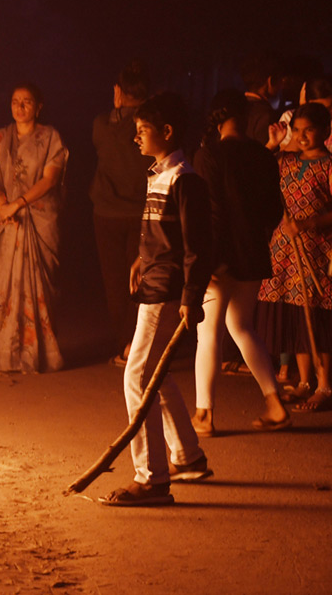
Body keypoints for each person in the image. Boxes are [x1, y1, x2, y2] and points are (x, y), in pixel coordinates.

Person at [100, 92, 213, 507]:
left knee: (136, 376)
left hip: (167, 291)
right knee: (154, 375)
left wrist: (190, 296)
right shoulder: (159, 175)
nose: (137, 138)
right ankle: (187, 457)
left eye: (143, 131)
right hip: (154, 281)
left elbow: (198, 246)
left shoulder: (186, 180)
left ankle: (151, 479)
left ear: (167, 132)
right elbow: (163, 235)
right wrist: (139, 259)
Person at [190, 90, 289, 435]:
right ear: (244, 117)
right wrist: (256, 237)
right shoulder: (262, 156)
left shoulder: (209, 155)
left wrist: (210, 260)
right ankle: (275, 404)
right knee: (242, 327)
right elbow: (274, 210)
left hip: (221, 257)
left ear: (217, 117)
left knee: (209, 334)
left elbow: (211, 212)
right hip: (251, 253)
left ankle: (204, 415)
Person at [0, 84, 67, 373]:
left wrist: (19, 204)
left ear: (38, 106)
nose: (20, 107)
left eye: (27, 102)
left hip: (38, 222)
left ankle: (34, 355)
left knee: (37, 286)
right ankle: (1, 353)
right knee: (0, 284)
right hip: (7, 222)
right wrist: (4, 206)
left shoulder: (50, 137)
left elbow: (50, 179)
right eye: (15, 102)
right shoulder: (0, 137)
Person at [258, 103, 332, 412]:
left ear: (326, 132)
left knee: (317, 315)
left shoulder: (329, 166)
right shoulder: (285, 161)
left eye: (309, 130)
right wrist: (273, 144)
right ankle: (304, 382)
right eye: (297, 130)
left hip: (317, 248)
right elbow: (254, 166)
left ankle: (325, 386)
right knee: (296, 315)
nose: (302, 137)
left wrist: (307, 224)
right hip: (285, 248)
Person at [90, 61, 152, 365]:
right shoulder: (149, 128)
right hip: (139, 212)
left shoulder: (103, 125)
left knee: (114, 281)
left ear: (119, 91)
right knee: (137, 278)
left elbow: (104, 139)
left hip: (106, 213)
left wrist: (118, 110)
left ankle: (124, 344)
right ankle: (132, 344)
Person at [242, 52, 282, 145]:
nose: (282, 85)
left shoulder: (235, 108)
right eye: (281, 79)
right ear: (270, 81)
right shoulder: (266, 115)